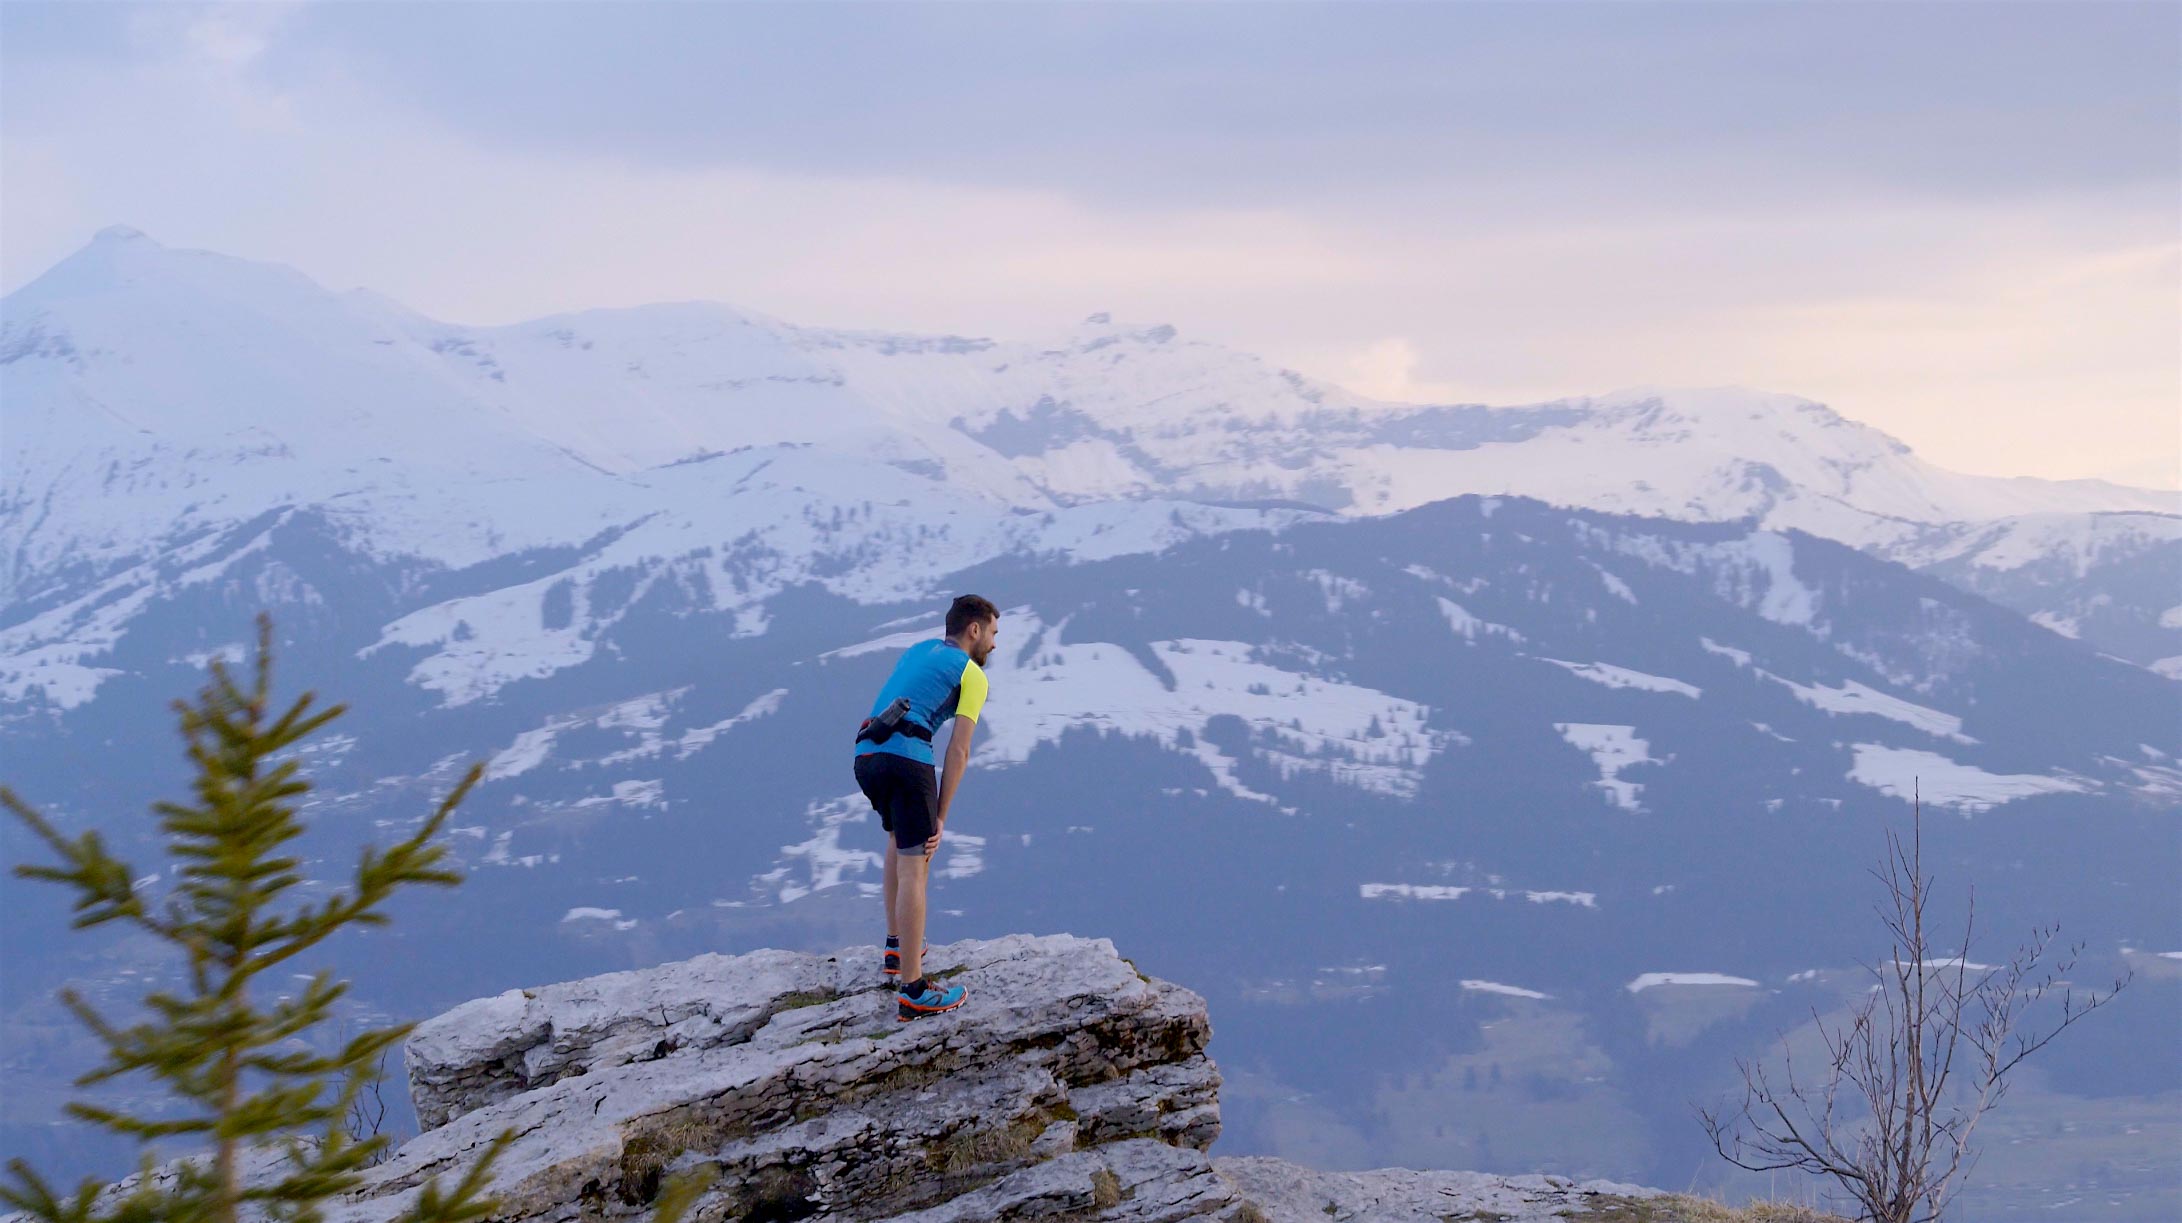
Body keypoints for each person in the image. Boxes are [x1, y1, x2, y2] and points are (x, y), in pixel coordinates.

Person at [853, 594, 999, 1022]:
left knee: (899, 840)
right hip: (906, 759)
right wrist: (941, 816)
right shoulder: (972, 675)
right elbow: (959, 751)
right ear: (974, 630)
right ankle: (913, 989)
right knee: (917, 863)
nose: (994, 644)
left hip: (866, 754)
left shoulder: (918, 650)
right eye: (992, 633)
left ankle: (897, 948)